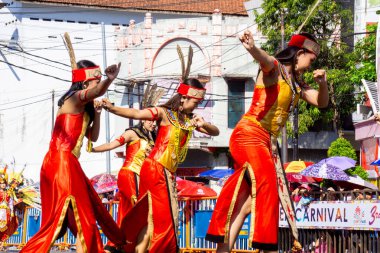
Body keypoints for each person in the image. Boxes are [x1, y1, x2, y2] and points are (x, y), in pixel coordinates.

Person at [205, 30, 328, 253]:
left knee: (245, 205)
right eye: (311, 60)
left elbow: (321, 102)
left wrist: (322, 84)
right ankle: (267, 248)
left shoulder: (296, 84)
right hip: (249, 135)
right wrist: (252, 48)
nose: (310, 66)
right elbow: (266, 59)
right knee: (268, 183)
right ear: (300, 53)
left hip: (265, 142)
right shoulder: (275, 72)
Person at [102, 46, 219, 253]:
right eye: (195, 101)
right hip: (157, 168)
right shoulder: (165, 114)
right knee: (168, 218)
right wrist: (112, 108)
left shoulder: (191, 120)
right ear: (183, 98)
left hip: (164, 171)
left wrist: (205, 124)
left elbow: (215, 132)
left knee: (149, 218)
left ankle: (127, 246)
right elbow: (137, 114)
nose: (196, 106)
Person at [20, 60, 125, 253]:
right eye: (96, 81)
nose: (99, 84)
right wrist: (109, 81)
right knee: (77, 219)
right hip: (61, 162)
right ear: (85, 84)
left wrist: (98, 114)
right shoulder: (73, 99)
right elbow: (96, 92)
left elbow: (92, 137)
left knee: (80, 220)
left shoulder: (83, 109)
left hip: (67, 163)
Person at [91, 120, 156, 253]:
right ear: (143, 119)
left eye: (155, 121)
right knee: (138, 211)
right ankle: (122, 245)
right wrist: (92, 149)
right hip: (129, 174)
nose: (154, 124)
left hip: (141, 177)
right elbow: (112, 144)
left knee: (128, 212)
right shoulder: (132, 133)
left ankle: (116, 245)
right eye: (151, 120)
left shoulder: (152, 137)